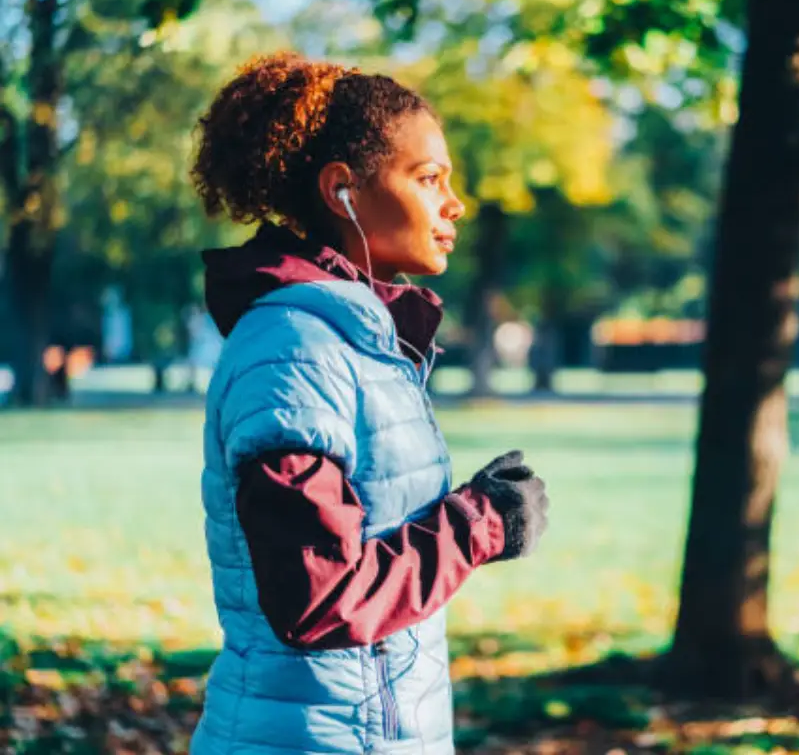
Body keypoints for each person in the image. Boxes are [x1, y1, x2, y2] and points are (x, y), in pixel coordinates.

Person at [188, 52, 550, 755]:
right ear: (342, 191)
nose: (455, 204)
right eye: (428, 179)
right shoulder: (293, 348)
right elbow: (318, 598)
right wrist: (481, 522)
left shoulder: (358, 341)